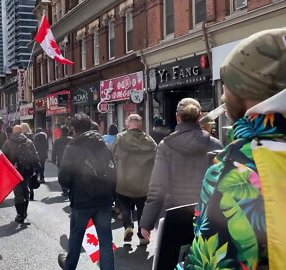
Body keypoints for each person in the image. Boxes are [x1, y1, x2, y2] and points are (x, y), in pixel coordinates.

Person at [179, 29, 286, 269]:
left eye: (226, 83)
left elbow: (212, 261)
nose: (224, 93)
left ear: (247, 89)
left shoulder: (239, 167)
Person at [140, 98, 222, 240]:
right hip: (208, 215)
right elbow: (222, 184)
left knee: (173, 258)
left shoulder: (166, 145)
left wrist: (147, 222)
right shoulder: (215, 144)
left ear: (178, 117)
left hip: (173, 214)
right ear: (200, 116)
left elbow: (157, 187)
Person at [57, 114, 116, 270]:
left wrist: (76, 185)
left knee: (76, 240)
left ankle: (69, 267)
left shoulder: (73, 147)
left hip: (81, 201)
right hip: (104, 199)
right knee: (105, 242)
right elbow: (114, 171)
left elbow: (63, 177)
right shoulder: (105, 144)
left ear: (74, 129)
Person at [112, 114, 156, 246]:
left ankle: (128, 226)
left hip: (123, 181)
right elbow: (156, 160)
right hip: (143, 183)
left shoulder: (120, 138)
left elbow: (112, 156)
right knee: (142, 210)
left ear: (128, 124)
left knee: (125, 206)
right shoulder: (149, 141)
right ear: (140, 125)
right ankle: (142, 236)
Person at [2, 125, 41, 223]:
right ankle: (25, 211)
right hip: (27, 171)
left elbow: (3, 158)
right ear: (22, 131)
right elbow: (35, 156)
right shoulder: (28, 142)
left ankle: (20, 214)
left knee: (18, 193)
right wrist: (37, 168)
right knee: (26, 191)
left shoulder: (8, 142)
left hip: (14, 172)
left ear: (13, 132)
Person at [51, 126, 73, 196]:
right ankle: (70, 188)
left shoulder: (57, 140)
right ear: (68, 132)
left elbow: (54, 151)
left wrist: (53, 160)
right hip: (70, 161)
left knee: (62, 175)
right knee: (70, 175)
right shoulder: (71, 140)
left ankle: (64, 190)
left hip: (60, 161)